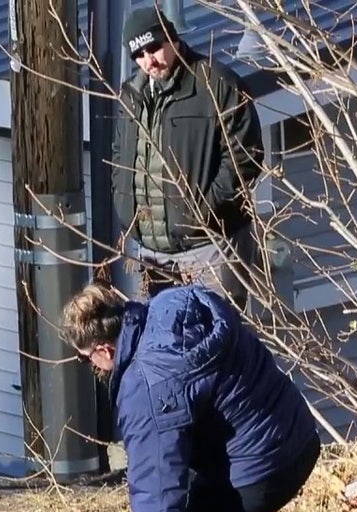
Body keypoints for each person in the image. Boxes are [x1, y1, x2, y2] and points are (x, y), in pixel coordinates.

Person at [60, 281, 321, 512]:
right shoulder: (175, 304)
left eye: (85, 358)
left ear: (105, 350)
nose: (90, 365)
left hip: (260, 470)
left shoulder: (144, 387)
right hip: (299, 434)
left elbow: (156, 490)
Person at [112, 6, 265, 310]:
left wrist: (201, 211)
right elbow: (120, 155)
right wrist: (124, 205)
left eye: (154, 47)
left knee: (217, 341)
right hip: (153, 254)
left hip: (209, 247)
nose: (149, 60)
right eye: (138, 54)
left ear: (171, 37)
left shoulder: (217, 85)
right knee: (168, 347)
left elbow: (246, 159)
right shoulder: (131, 95)